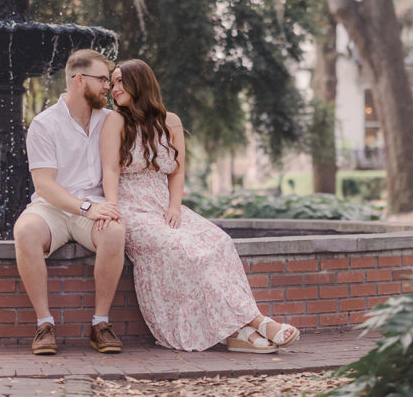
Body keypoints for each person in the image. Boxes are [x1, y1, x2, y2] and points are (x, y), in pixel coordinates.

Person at [100, 59, 301, 353]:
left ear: (139, 83)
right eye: (113, 83)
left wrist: (175, 207)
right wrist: (113, 206)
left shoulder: (171, 122)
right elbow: (110, 170)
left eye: (120, 82)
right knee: (181, 248)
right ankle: (256, 323)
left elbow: (177, 171)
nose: (114, 89)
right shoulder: (115, 121)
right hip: (132, 207)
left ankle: (239, 333)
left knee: (220, 241)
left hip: (163, 204)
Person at [14, 49, 127, 355]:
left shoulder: (110, 120)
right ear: (79, 80)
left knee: (116, 231)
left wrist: (105, 207)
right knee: (25, 231)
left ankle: (100, 325)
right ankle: (44, 324)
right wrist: (86, 208)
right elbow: (45, 185)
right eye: (102, 79)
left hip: (93, 205)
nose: (108, 86)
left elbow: (113, 168)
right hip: (53, 207)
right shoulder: (44, 124)